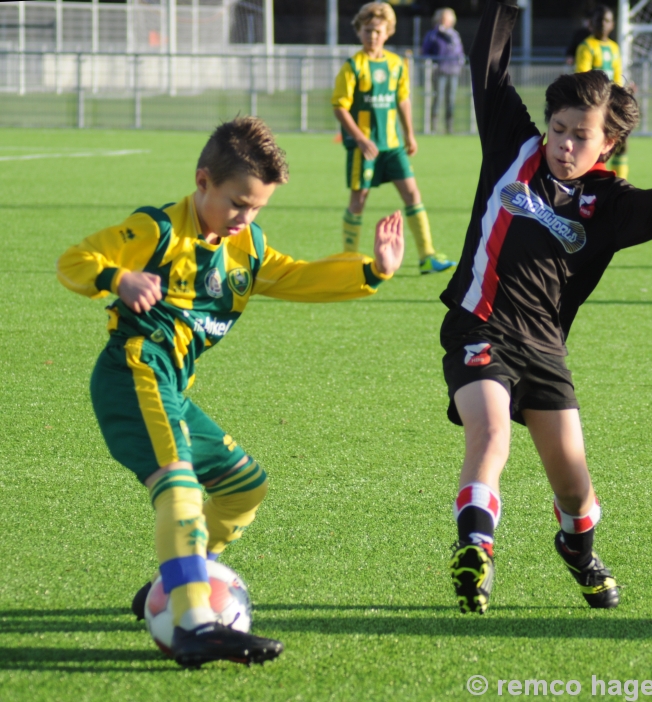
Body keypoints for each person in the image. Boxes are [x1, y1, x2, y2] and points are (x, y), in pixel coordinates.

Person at [56, 116, 404, 665]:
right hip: (135, 373)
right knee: (181, 489)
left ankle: (173, 583)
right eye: (237, 202)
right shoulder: (158, 230)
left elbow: (299, 276)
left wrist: (372, 271)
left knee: (244, 489)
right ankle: (195, 622)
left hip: (172, 387)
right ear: (202, 181)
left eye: (258, 206)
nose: (247, 216)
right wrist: (118, 278)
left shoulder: (246, 248)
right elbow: (73, 262)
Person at [441, 0, 652, 614]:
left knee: (576, 491)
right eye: (558, 129)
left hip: (543, 349)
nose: (562, 144)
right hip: (478, 323)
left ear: (607, 143)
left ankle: (579, 551)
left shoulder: (609, 203)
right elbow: (489, 67)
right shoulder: (513, 145)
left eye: (579, 136)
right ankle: (476, 549)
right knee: (490, 430)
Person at [332, 1, 456, 274]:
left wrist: (410, 134)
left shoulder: (397, 64)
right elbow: (340, 106)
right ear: (359, 32)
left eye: (378, 30)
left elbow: (402, 100)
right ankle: (348, 258)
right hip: (364, 148)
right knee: (358, 199)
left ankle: (427, 255)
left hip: (392, 145)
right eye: (367, 30)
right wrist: (360, 139)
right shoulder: (353, 66)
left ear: (388, 32)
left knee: (412, 193)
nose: (372, 36)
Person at [575, 5, 630, 180]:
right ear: (591, 24)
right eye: (599, 20)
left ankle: (620, 182)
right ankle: (592, 178)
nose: (602, 24)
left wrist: (623, 93)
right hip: (594, 104)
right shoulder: (586, 46)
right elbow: (583, 76)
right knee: (596, 145)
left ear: (612, 25)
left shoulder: (614, 48)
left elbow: (617, 76)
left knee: (621, 142)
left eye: (606, 20)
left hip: (610, 103)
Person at [422, 7, 466, 134]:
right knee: (438, 97)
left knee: (451, 99)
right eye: (442, 19)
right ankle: (433, 127)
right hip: (439, 70)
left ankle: (449, 126)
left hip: (453, 71)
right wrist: (433, 62)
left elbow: (459, 52)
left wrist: (460, 64)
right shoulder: (433, 34)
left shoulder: (454, 35)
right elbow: (425, 51)